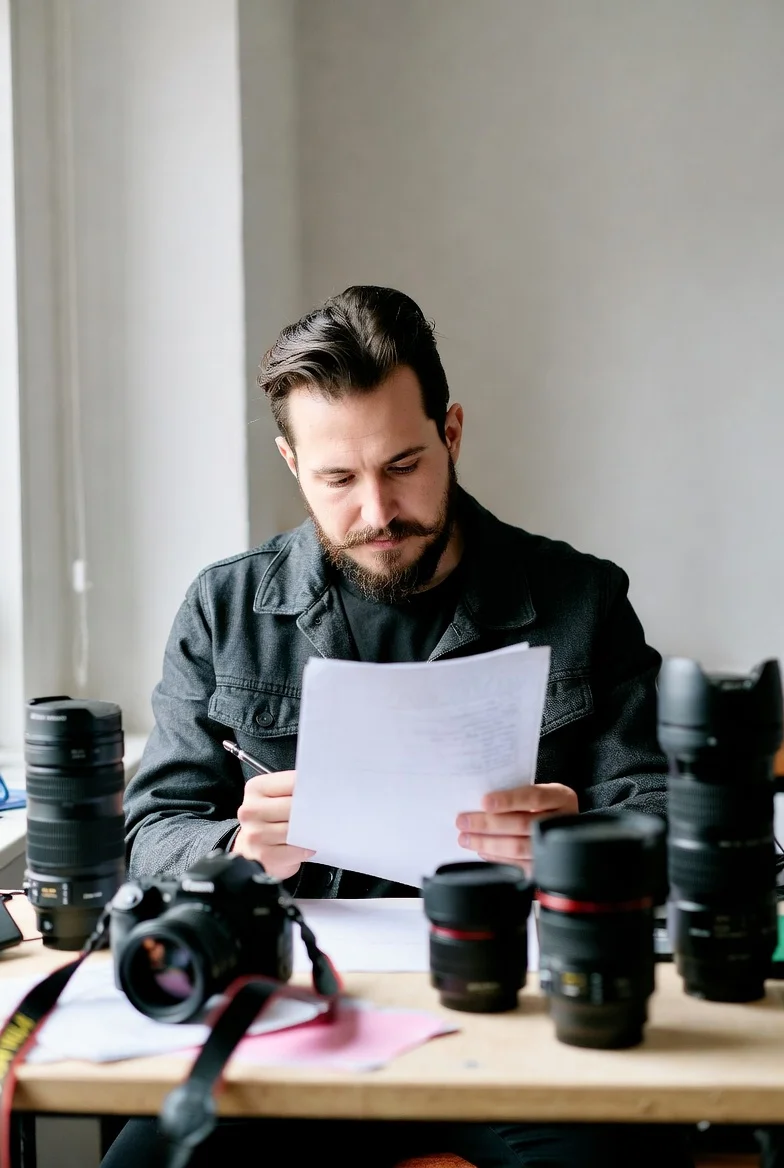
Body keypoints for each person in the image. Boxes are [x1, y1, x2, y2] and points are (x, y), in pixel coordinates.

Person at [105, 286, 692, 1168]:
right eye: (338, 479)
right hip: (290, 1015)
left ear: (451, 434)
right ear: (291, 462)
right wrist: (235, 844)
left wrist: (577, 839)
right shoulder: (225, 609)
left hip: (519, 1013)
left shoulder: (582, 598)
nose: (377, 511)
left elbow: (670, 820)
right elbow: (151, 834)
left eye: (404, 464)